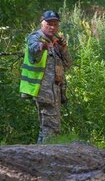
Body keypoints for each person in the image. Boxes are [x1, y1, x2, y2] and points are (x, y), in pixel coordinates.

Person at [19, 10, 72, 143]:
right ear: (42, 23)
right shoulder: (36, 37)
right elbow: (33, 48)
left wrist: (64, 48)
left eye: (55, 24)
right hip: (43, 90)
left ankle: (41, 154)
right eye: (49, 24)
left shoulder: (56, 41)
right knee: (51, 127)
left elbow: (68, 64)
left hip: (56, 91)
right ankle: (45, 156)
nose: (52, 27)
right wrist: (44, 46)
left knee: (50, 127)